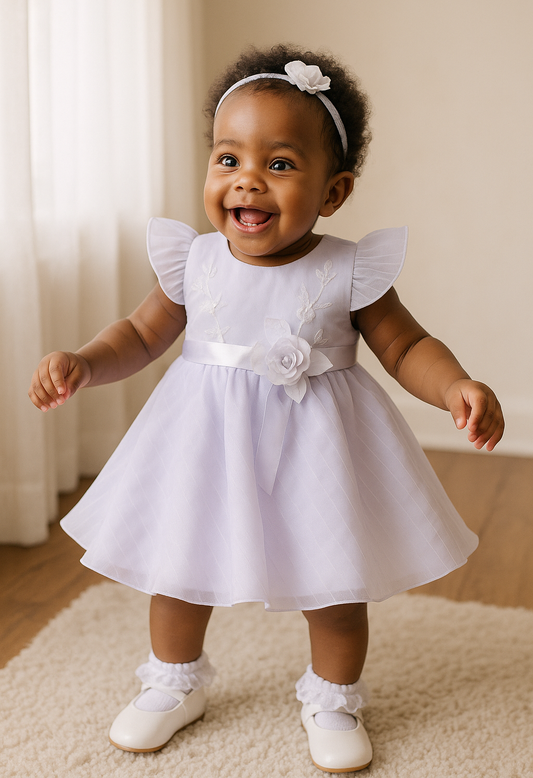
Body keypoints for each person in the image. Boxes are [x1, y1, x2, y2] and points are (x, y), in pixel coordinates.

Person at [28, 44, 504, 773]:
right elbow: (141, 334)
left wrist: (455, 386)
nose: (247, 179)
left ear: (333, 190)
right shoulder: (194, 260)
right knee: (179, 571)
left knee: (333, 582)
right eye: (227, 159)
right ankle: (171, 682)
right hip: (203, 444)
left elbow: (405, 345)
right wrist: (86, 362)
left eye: (279, 164)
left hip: (320, 450)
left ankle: (334, 695)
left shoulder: (349, 269)